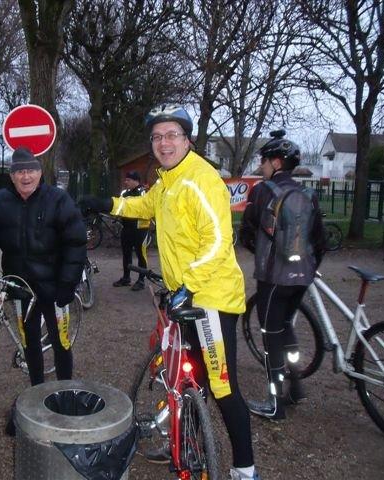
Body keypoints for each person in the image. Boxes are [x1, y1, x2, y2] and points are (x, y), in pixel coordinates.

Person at [80, 104, 259, 480]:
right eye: (158, 136)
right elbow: (143, 205)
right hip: (185, 296)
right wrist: (105, 203)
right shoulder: (166, 182)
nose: (164, 143)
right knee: (189, 378)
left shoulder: (201, 179)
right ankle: (187, 440)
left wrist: (189, 285)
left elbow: (218, 241)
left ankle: (245, 469)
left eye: (172, 135)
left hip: (211, 299)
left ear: (187, 140)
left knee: (222, 386)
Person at [0, 147, 87, 433]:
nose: (26, 176)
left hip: (54, 288)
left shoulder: (58, 200)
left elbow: (75, 242)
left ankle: (64, 397)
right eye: (19, 171)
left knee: (61, 343)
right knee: (29, 345)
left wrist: (68, 283)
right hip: (20, 288)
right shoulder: (1, 202)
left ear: (40, 172)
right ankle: (36, 399)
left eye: (31, 170)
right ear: (12, 175)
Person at [239, 130, 327, 421]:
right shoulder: (308, 194)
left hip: (273, 278)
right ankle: (296, 387)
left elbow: (246, 232)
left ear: (276, 163)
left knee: (271, 336)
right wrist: (306, 266)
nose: (261, 166)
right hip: (303, 277)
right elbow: (321, 240)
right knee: (286, 327)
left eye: (264, 161)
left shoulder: (262, 191)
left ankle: (275, 403)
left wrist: (264, 255)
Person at [113, 171, 150, 291]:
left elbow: (146, 208)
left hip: (141, 228)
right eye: (125, 179)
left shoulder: (143, 192)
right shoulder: (125, 193)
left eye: (128, 180)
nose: (126, 182)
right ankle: (126, 278)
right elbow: (120, 206)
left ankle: (141, 280)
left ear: (136, 181)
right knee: (126, 254)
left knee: (141, 255)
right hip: (127, 228)